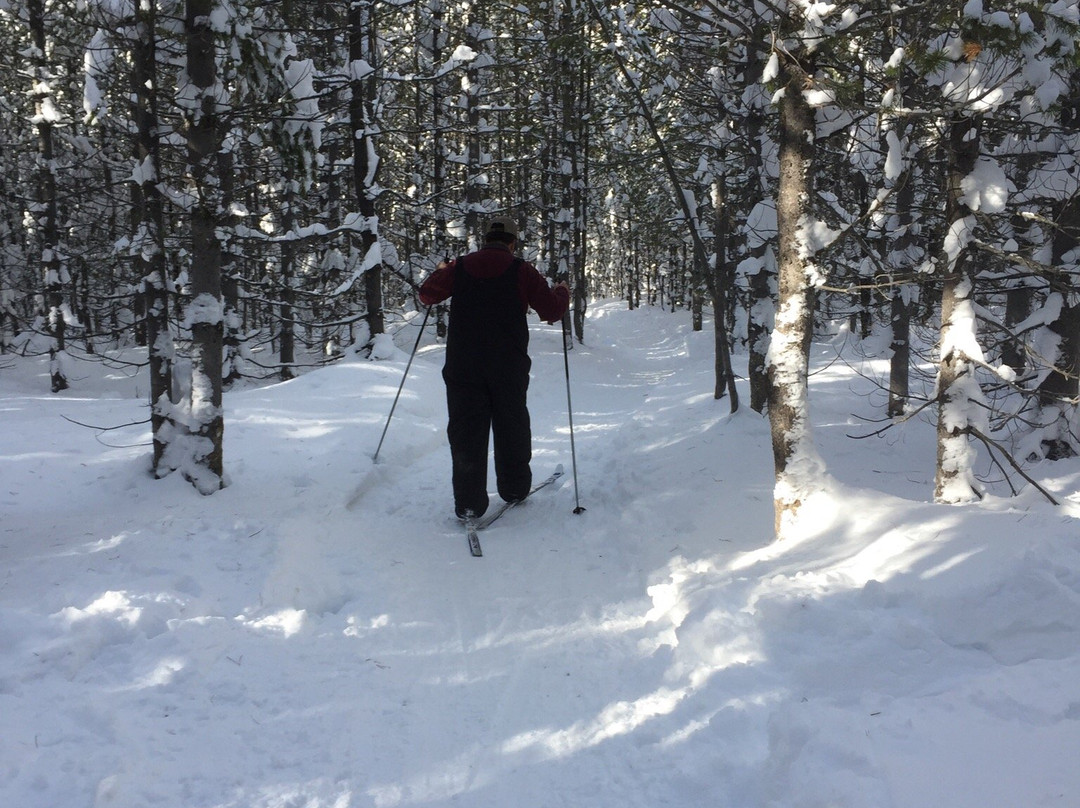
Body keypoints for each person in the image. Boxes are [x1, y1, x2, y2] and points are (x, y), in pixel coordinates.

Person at [419, 215, 570, 520]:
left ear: (486, 239)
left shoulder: (459, 267)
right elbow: (552, 311)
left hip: (463, 366)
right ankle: (514, 489)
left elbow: (426, 295)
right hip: (508, 365)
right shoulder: (522, 270)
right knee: (511, 425)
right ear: (513, 242)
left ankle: (470, 503)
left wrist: (441, 271)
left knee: (466, 432)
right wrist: (564, 291)